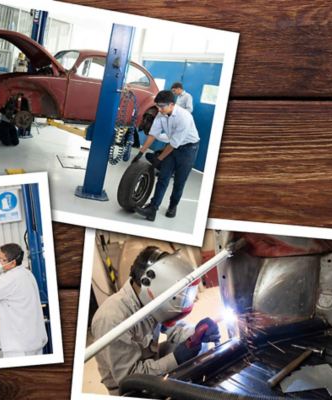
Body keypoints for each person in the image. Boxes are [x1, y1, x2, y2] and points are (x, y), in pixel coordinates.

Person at [91, 247, 219, 395]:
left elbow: (175, 329)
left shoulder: (150, 300)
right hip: (130, 388)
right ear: (149, 286)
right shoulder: (111, 318)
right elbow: (130, 378)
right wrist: (176, 358)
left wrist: (197, 332)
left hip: (151, 360)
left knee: (200, 348)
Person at [131, 90, 200, 221]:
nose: (159, 109)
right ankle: (152, 209)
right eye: (157, 106)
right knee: (163, 178)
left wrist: (159, 159)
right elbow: (153, 134)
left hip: (188, 150)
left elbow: (174, 144)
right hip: (173, 147)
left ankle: (173, 206)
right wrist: (141, 152)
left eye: (161, 106)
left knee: (179, 182)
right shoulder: (161, 114)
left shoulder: (184, 117)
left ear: (172, 104)